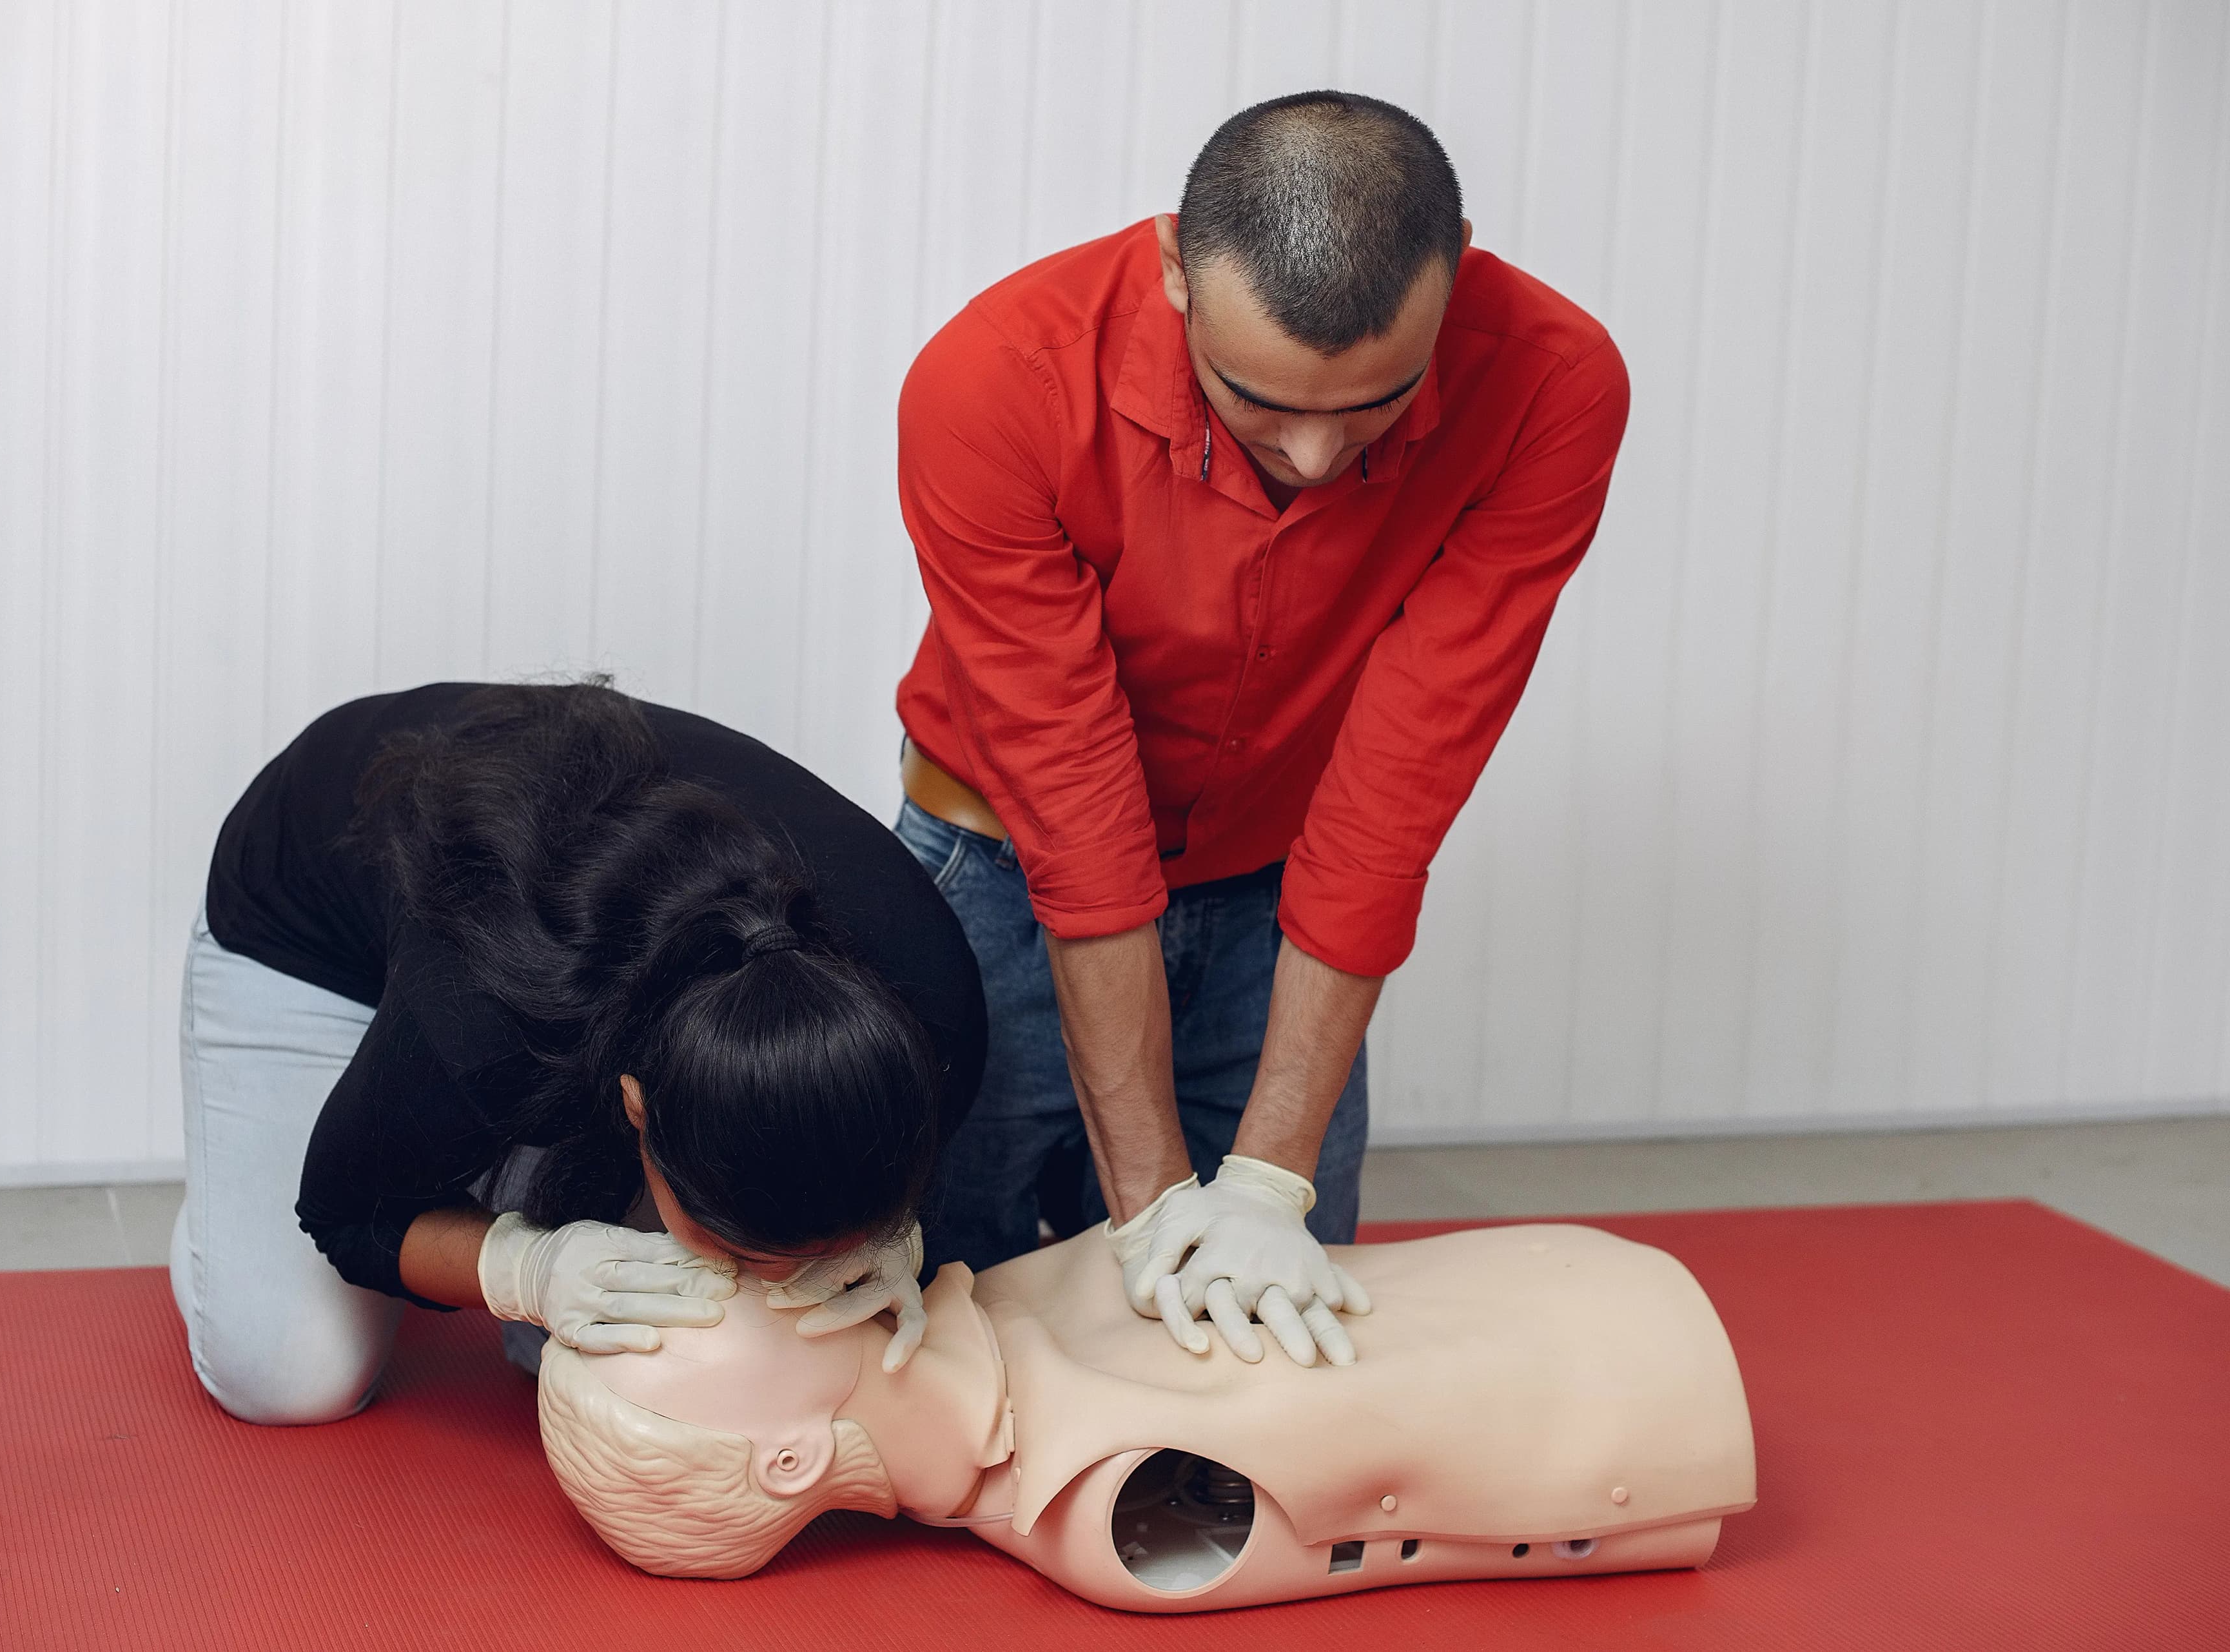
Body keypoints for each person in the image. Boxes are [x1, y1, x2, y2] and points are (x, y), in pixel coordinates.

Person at [891, 92, 1630, 1362]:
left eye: (1374, 406)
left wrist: (1270, 1179)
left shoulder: (1557, 383)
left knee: (1268, 1338)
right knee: (949, 1313)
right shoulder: (994, 381)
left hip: (1281, 890)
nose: (1312, 455)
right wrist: (1157, 1204)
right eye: (1258, 400)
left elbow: (1403, 775)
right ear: (1177, 268)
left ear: (1455, 270)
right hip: (999, 874)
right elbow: (1073, 801)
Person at [170, 681, 986, 1425]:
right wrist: (528, 1267)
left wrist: (886, 1237)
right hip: (310, 913)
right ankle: (233, 1199)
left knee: (615, 1342)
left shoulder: (933, 1007)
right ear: (637, 1105)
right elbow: (342, 1212)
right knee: (291, 1376)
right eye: (741, 1250)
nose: (767, 1282)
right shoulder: (483, 1031)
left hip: (556, 941)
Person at [532, 1221, 1756, 1605]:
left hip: (1573, 1279)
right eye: (684, 1325)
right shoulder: (1101, 1493)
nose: (700, 1281)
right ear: (791, 1453)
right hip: (1638, 1375)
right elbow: (1413, 1458)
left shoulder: (979, 1303)